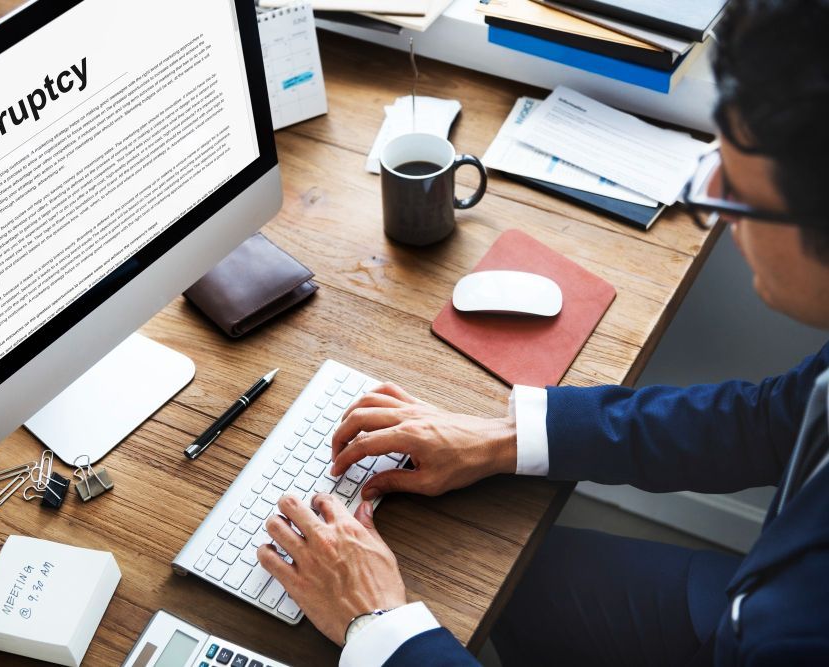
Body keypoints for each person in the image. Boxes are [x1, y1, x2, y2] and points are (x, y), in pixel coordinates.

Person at [254, 0, 829, 664]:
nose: (716, 214)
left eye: (736, 195)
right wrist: (506, 437)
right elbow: (768, 421)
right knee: (519, 581)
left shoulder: (800, 636)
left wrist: (379, 623)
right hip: (746, 601)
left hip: (756, 629)